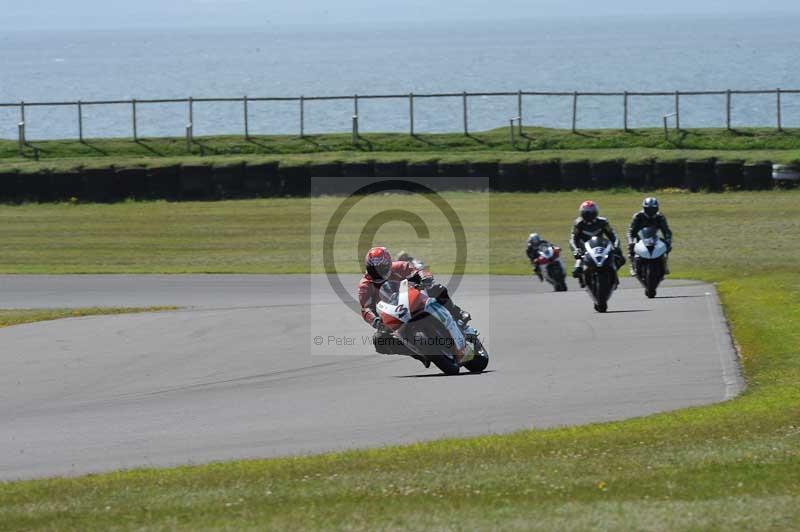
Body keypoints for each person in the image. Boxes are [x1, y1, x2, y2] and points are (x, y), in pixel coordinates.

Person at [358, 247, 470, 367]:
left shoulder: (399, 267)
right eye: (373, 269)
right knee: (379, 340)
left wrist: (425, 277)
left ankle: (458, 314)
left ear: (389, 264)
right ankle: (420, 354)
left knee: (436, 289)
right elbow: (366, 308)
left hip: (413, 298)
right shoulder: (365, 285)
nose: (377, 272)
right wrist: (375, 320)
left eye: (381, 268)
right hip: (392, 312)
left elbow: (418, 271)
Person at [569, 200, 625, 287]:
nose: (589, 215)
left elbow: (613, 235)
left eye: (591, 212)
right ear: (582, 213)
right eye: (586, 213)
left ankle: (613, 275)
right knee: (577, 270)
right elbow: (573, 239)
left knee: (620, 259)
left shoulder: (603, 222)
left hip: (600, 246)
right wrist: (576, 250)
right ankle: (581, 274)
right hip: (584, 248)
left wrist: (616, 246)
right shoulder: (578, 224)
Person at [627, 197, 673, 276]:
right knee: (631, 246)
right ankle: (633, 266)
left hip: (654, 238)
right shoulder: (638, 216)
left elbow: (666, 231)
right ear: (644, 208)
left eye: (653, 209)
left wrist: (668, 240)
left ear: (657, 209)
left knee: (666, 246)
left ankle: (664, 264)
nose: (651, 211)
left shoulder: (660, 217)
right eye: (648, 209)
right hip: (639, 238)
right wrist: (630, 241)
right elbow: (630, 231)